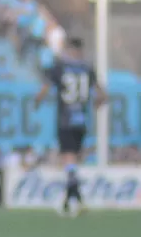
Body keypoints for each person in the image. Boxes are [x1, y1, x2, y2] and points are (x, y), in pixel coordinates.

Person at [35, 36, 107, 216]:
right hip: (81, 120)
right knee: (73, 157)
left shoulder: (59, 68)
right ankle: (73, 198)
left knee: (68, 158)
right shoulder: (87, 69)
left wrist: (37, 100)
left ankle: (73, 196)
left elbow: (45, 88)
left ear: (69, 49)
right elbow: (102, 95)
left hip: (65, 119)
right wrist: (96, 103)